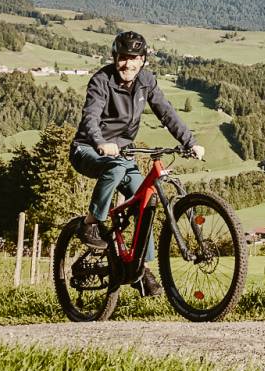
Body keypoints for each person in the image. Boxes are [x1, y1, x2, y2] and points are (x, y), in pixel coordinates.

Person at [70, 30, 203, 296]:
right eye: (123, 57)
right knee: (117, 167)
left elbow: (166, 112)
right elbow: (90, 117)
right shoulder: (101, 80)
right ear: (115, 57)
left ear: (143, 60)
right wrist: (99, 142)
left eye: (134, 58)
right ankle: (90, 224)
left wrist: (189, 142)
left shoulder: (146, 81)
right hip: (88, 150)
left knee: (146, 201)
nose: (128, 64)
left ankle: (141, 268)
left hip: (121, 153)